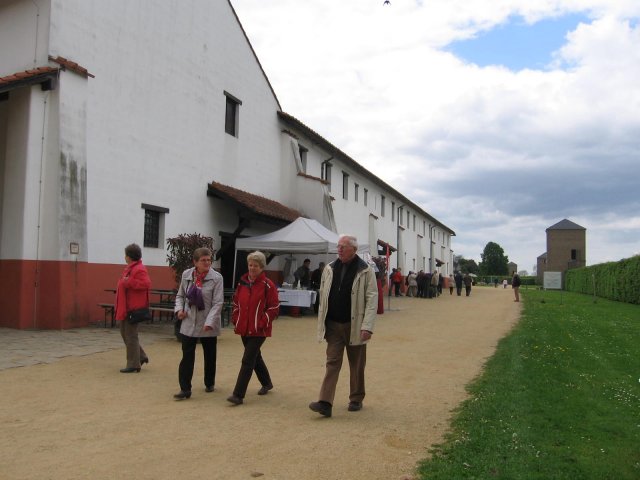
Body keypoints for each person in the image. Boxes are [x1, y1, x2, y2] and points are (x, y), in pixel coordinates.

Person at [309, 235, 378, 418]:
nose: (339, 249)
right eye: (338, 246)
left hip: (355, 324)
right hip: (333, 324)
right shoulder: (330, 268)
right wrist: (322, 320)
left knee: (356, 364)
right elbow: (324, 294)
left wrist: (367, 326)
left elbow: (372, 299)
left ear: (354, 250)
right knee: (332, 362)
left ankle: (356, 398)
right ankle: (325, 402)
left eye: (343, 247)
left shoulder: (365, 270)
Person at [228, 251, 280, 406]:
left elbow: (274, 307)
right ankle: (267, 382)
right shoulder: (242, 283)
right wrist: (236, 318)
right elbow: (236, 302)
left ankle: (238, 395)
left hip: (259, 330)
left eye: (255, 266)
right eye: (250, 265)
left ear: (262, 267)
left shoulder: (268, 285)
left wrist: (262, 322)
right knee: (255, 357)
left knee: (247, 360)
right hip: (244, 328)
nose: (252, 268)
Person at [173, 247, 224, 400]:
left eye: (209, 260)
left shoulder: (217, 278)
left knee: (210, 355)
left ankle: (209, 382)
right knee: (187, 355)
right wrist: (179, 310)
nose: (207, 262)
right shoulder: (187, 275)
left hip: (208, 320)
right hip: (189, 320)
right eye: (203, 260)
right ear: (195, 262)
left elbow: (218, 303)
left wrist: (209, 323)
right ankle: (185, 389)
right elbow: (180, 296)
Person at [114, 243, 151, 373]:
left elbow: (145, 284)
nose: (124, 257)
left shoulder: (139, 269)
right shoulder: (131, 268)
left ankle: (133, 364)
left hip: (133, 307)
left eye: (126, 255)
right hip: (126, 307)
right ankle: (140, 356)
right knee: (125, 333)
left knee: (130, 335)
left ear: (129, 256)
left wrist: (128, 282)